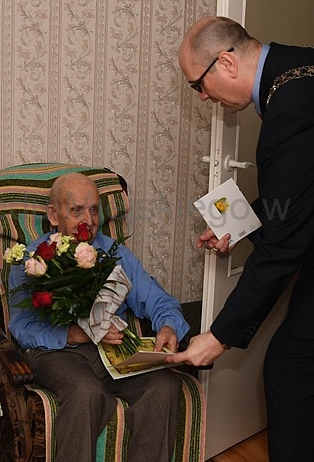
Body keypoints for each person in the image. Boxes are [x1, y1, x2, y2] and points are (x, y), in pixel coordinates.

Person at [167, 16, 314, 461]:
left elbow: (280, 251)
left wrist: (218, 336)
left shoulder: (290, 110)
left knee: (289, 369)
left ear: (226, 63)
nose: (203, 96)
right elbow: (297, 189)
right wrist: (233, 221)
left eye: (198, 84)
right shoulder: (294, 67)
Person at [8, 172, 190, 462]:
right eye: (77, 210)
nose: (88, 220)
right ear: (54, 215)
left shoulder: (115, 253)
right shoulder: (32, 261)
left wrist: (169, 326)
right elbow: (21, 326)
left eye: (94, 210)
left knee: (163, 386)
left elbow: (158, 300)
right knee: (85, 392)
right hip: (58, 352)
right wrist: (75, 334)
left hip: (112, 351)